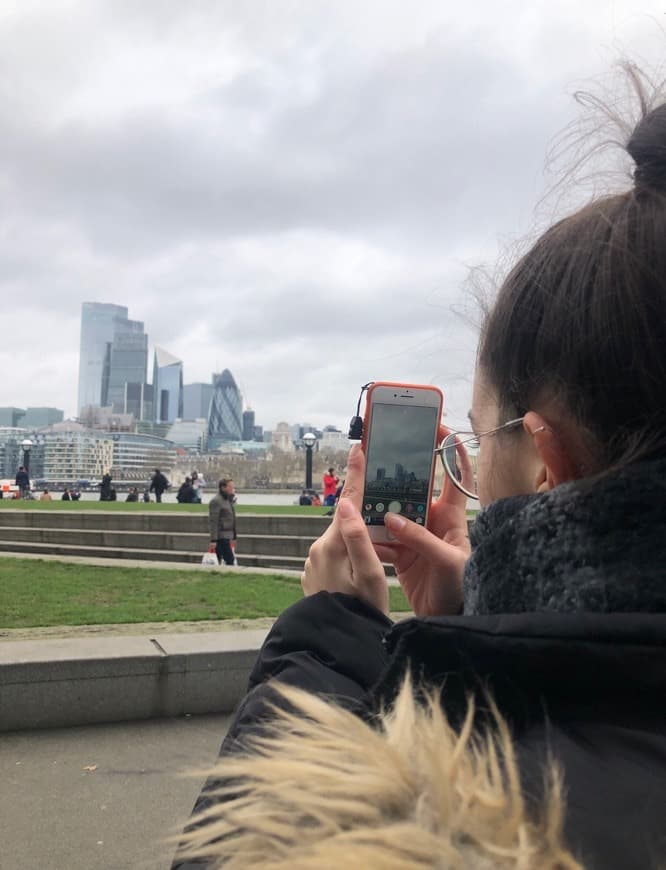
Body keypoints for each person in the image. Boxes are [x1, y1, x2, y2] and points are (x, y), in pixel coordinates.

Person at [174, 81, 666, 869]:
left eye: (481, 436)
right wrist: (482, 607)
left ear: (545, 463)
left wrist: (326, 640)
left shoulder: (473, 828)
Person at [208, 478, 237, 566]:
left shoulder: (228, 500)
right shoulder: (216, 501)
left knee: (223, 559)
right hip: (221, 536)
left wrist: (234, 536)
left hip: (228, 535)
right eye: (230, 486)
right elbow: (214, 521)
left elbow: (232, 518)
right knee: (229, 559)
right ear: (223, 488)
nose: (233, 488)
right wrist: (213, 540)